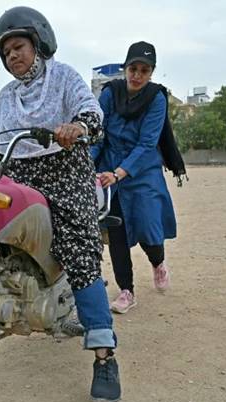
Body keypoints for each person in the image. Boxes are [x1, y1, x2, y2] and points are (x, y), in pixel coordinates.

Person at [0, 6, 121, 402]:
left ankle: (104, 354)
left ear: (39, 43)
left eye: (19, 46)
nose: (13, 55)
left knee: (78, 251)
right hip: (18, 174)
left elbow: (92, 111)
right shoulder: (6, 96)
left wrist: (77, 127)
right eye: (6, 51)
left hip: (66, 171)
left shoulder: (63, 76)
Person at [91, 41, 177, 314]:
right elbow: (97, 134)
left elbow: (147, 143)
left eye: (144, 70)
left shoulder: (157, 98)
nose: (137, 75)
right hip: (108, 169)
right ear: (125, 68)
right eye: (133, 68)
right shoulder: (109, 93)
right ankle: (126, 291)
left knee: (149, 230)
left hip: (142, 170)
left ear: (151, 72)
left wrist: (121, 173)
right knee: (116, 230)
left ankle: (158, 262)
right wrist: (87, 164)